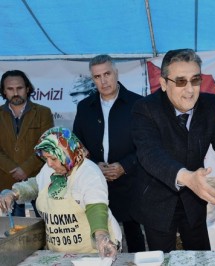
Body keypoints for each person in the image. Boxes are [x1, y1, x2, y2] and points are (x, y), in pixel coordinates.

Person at [131, 48, 215, 253]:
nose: (190, 90)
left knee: (200, 255)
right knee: (162, 258)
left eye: (195, 80)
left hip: (194, 199)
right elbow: (149, 153)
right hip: (157, 199)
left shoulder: (209, 104)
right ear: (164, 83)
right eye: (181, 81)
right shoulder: (145, 108)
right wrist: (186, 177)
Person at [0, 127, 121, 260]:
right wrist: (14, 193)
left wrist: (101, 237)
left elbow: (96, 209)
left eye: (52, 158)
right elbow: (36, 184)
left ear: (67, 153)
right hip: (58, 254)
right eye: (45, 158)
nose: (49, 164)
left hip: (91, 253)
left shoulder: (89, 173)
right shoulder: (49, 168)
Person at [73, 54, 146, 252]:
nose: (103, 81)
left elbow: (147, 145)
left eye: (107, 74)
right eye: (97, 77)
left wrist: (124, 166)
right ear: (92, 79)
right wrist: (94, 165)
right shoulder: (84, 107)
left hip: (131, 181)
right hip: (95, 182)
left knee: (134, 234)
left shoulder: (138, 104)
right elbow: (77, 145)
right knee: (99, 232)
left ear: (116, 73)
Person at [0, 70, 54, 217]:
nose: (15, 92)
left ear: (28, 88)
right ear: (4, 91)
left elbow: (47, 145)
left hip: (37, 180)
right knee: (11, 232)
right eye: (10, 89)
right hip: (5, 181)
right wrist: (14, 169)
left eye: (20, 88)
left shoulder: (43, 112)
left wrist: (25, 169)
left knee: (44, 228)